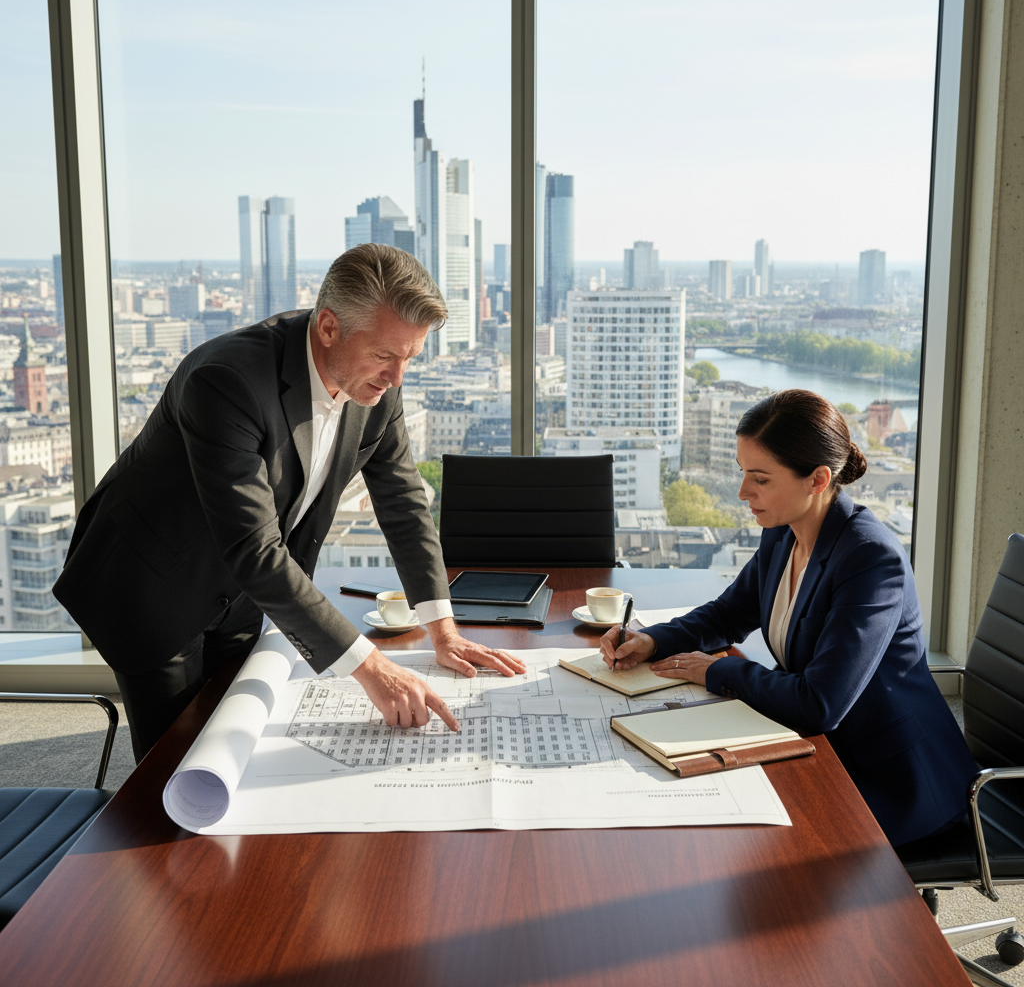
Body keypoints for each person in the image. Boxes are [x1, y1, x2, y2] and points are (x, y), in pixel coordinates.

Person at [54, 244, 525, 761]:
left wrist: (443, 629)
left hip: (239, 591)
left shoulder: (376, 388)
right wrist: (372, 668)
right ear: (328, 328)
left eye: (409, 358)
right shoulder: (227, 381)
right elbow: (254, 549)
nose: (397, 379)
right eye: (385, 356)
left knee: (237, 738)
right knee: (176, 765)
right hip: (154, 582)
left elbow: (403, 501)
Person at [599, 389, 976, 846]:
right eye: (743, 474)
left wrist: (720, 669)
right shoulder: (782, 533)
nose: (743, 493)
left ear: (817, 479)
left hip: (891, 784)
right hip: (816, 748)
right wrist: (653, 640)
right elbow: (730, 611)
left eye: (760, 479)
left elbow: (820, 703)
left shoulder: (871, 559)